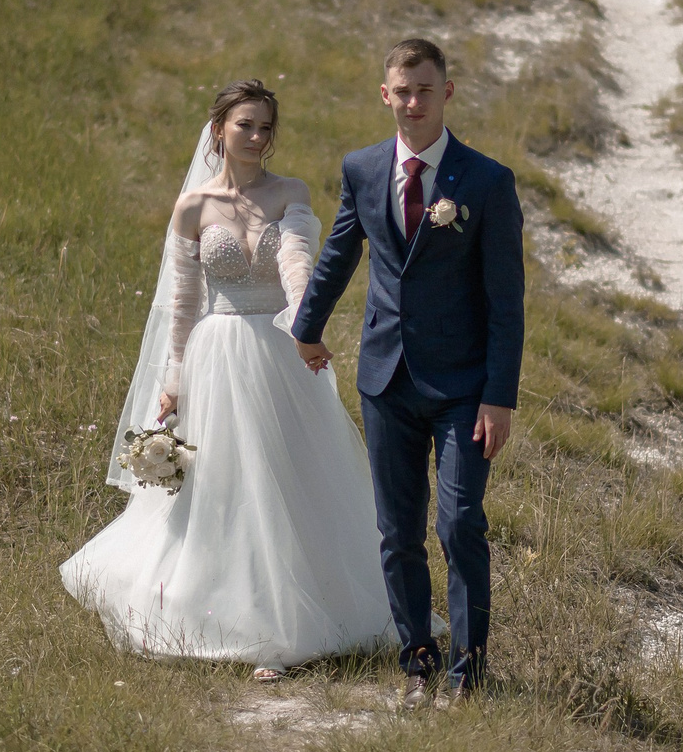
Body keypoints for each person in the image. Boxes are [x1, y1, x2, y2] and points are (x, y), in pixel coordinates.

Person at [62, 80, 393, 676]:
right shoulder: (193, 207)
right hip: (216, 355)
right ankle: (232, 614)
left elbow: (298, 265)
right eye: (246, 125)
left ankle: (301, 616)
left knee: (289, 476)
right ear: (219, 129)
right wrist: (174, 381)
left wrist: (303, 326)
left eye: (267, 127)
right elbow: (182, 306)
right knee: (225, 484)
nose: (258, 137)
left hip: (278, 350)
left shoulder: (289, 193)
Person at [291, 39, 524, 708]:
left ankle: (468, 672)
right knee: (397, 532)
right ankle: (418, 662)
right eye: (402, 89)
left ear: (446, 92)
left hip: (464, 390)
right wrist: (307, 329)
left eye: (426, 88)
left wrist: (498, 396)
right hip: (385, 379)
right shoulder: (363, 169)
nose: (413, 101)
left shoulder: (486, 181)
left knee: (458, 523)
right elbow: (338, 251)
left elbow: (506, 302)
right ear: (385, 94)